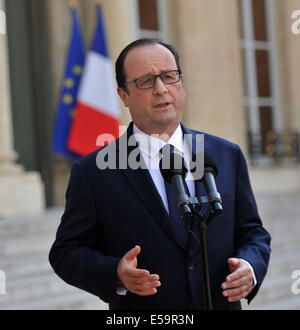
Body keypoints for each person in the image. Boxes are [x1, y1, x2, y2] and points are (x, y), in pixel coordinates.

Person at [49, 38, 271, 310]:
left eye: (169, 76)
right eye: (145, 81)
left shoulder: (226, 155)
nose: (161, 89)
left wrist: (250, 266)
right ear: (123, 96)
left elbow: (253, 233)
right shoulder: (94, 171)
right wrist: (115, 272)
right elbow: (66, 253)